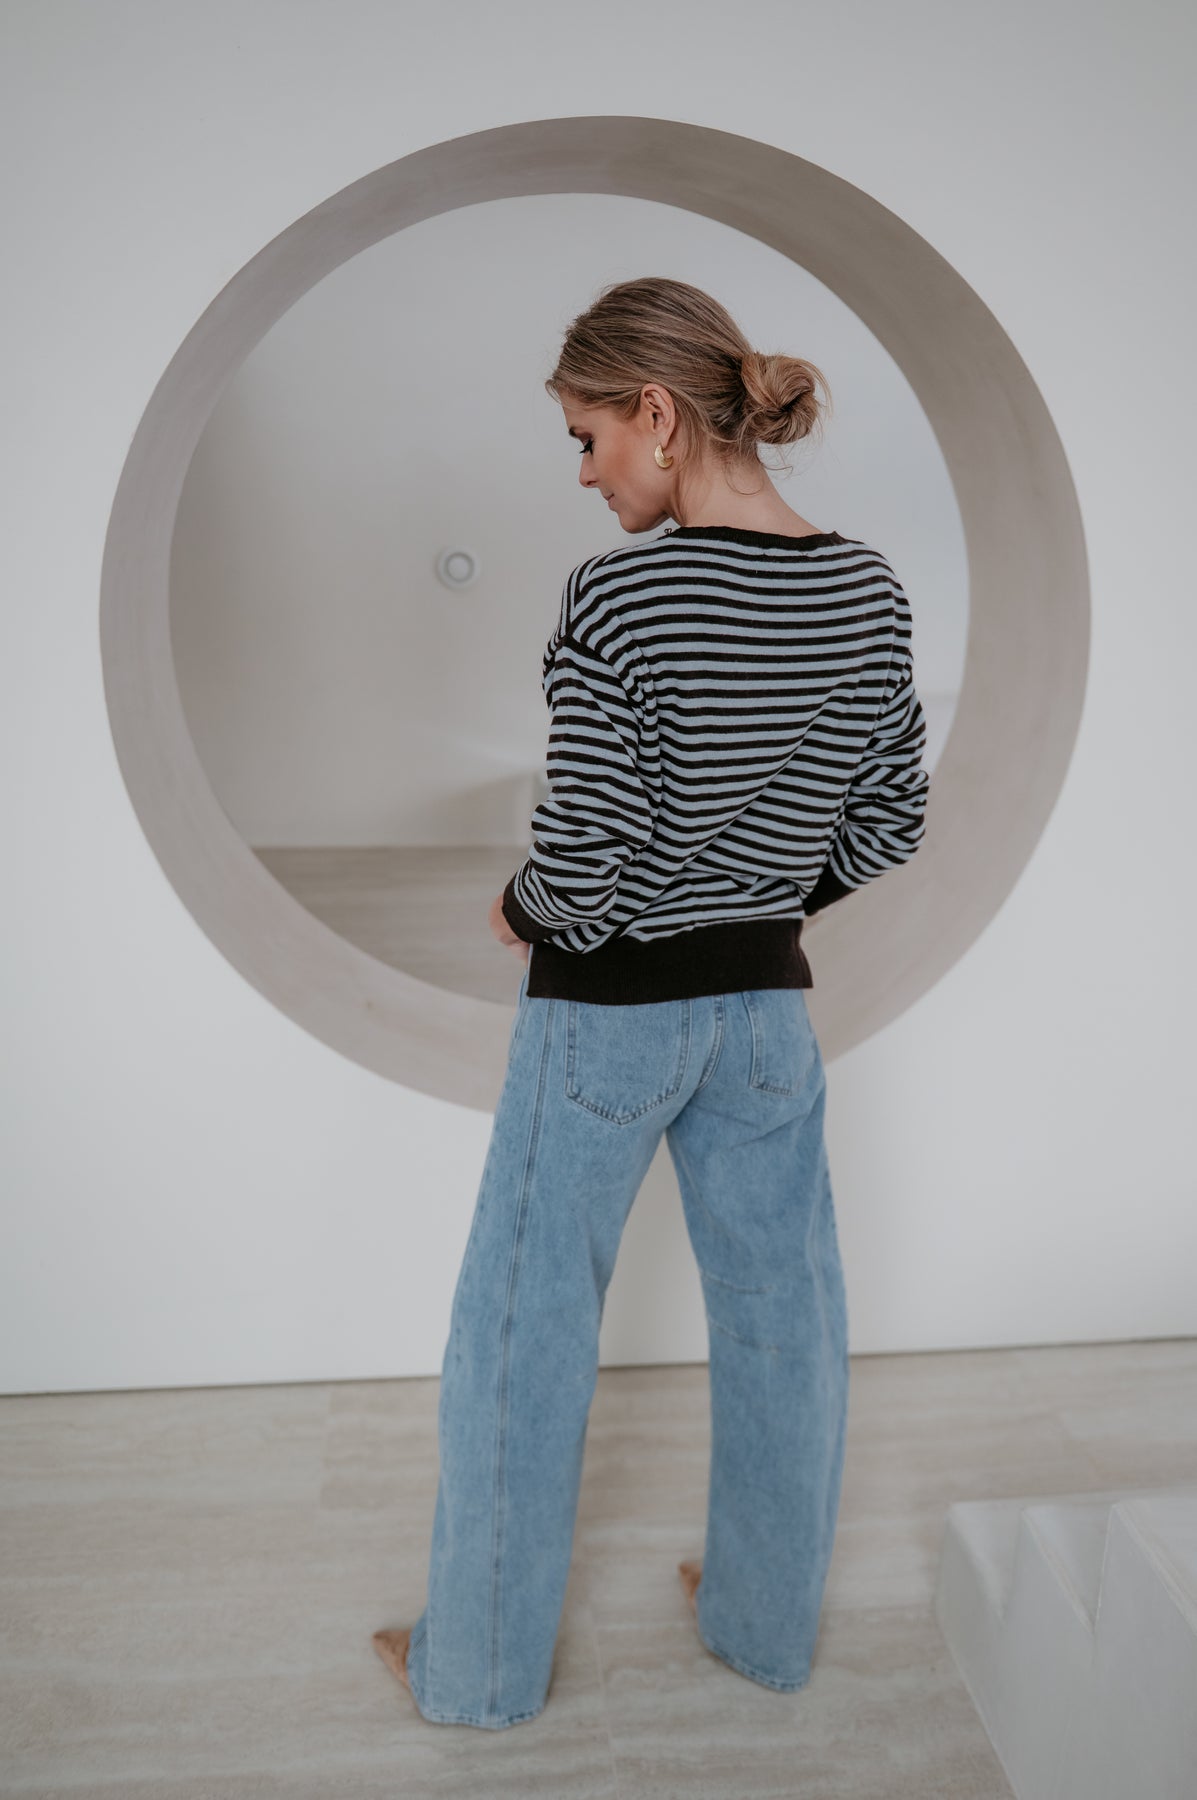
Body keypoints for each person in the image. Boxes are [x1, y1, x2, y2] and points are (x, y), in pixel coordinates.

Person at [373, 276, 930, 1728]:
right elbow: (889, 825)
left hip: (603, 1024)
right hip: (766, 1020)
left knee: (523, 1330)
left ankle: (476, 1674)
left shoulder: (624, 594)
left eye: (586, 437)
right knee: (783, 1323)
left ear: (658, 415)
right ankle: (763, 1629)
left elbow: (587, 849)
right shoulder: (867, 590)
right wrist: (757, 898)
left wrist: (524, 909)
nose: (583, 473)